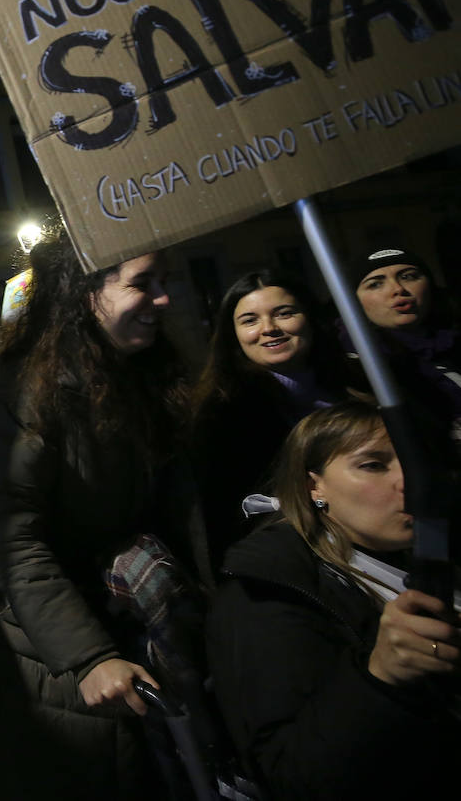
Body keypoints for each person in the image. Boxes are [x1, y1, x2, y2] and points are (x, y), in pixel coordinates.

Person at [0, 231, 208, 799]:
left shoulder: (154, 378)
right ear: (84, 295)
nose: (163, 299)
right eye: (141, 284)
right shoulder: (27, 390)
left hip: (138, 618)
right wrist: (89, 657)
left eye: (165, 282)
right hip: (54, 653)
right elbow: (12, 536)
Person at [207, 401, 460, 799]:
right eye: (373, 465)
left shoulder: (430, 553)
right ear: (315, 487)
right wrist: (382, 679)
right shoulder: (267, 591)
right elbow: (294, 773)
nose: (410, 481)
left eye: (416, 459)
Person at [192, 270, 356, 564]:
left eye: (284, 313)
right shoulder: (222, 417)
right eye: (250, 320)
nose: (269, 328)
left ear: (311, 319)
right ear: (233, 336)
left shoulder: (359, 387)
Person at [351, 247, 461, 442]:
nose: (398, 289)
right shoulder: (359, 366)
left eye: (409, 276)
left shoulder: (453, 343)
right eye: (375, 284)